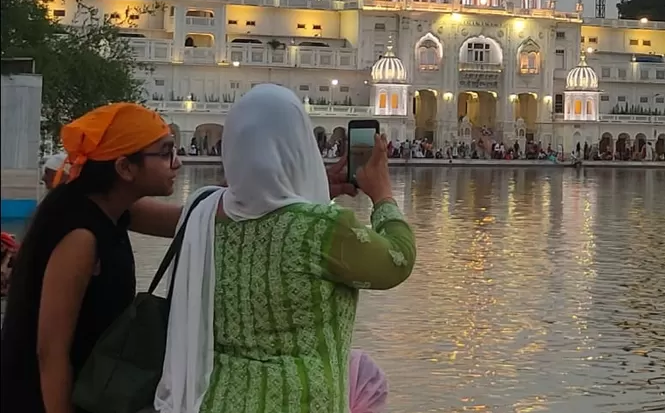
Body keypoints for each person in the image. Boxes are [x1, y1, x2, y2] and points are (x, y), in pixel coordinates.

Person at [156, 83, 415, 413]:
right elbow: (398, 260)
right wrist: (383, 194)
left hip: (217, 400)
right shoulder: (323, 228)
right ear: (301, 144)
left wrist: (315, 186)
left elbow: (262, 208)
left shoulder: (205, 215)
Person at [0, 103, 181, 413]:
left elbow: (184, 221)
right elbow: (50, 352)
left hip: (87, 391)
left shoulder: (112, 208)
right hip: (41, 399)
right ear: (125, 168)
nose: (177, 163)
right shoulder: (80, 236)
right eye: (165, 153)